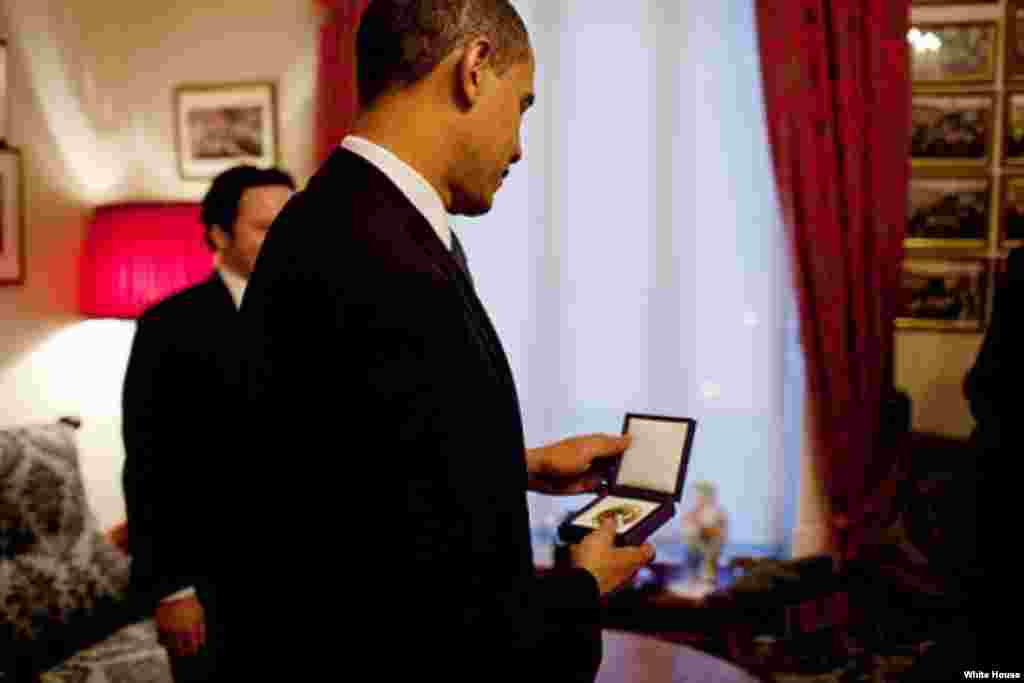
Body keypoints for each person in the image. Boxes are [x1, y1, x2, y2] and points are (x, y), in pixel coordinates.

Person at [223, 2, 656, 680]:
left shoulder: (336, 216)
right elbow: (438, 611)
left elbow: (353, 473)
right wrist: (583, 585)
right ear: (475, 68)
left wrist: (516, 465)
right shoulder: (384, 256)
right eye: (523, 106)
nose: (518, 146)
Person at [121, 165, 295, 682]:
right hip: (214, 586)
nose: (284, 241)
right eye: (266, 228)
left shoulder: (324, 312)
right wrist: (172, 589)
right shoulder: (168, 328)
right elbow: (151, 466)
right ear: (219, 234)